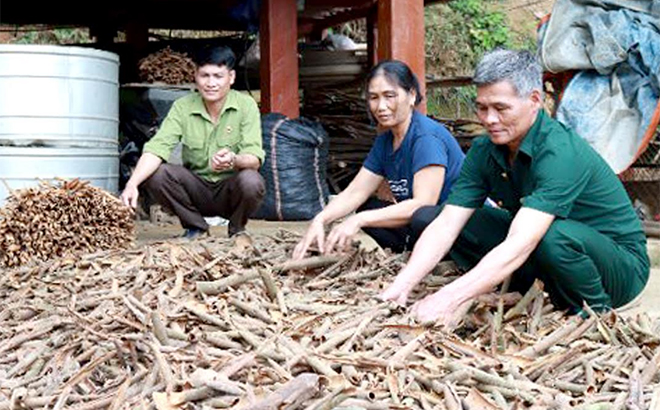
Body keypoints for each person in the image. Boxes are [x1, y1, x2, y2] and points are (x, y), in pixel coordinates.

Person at [381, 49, 650, 326]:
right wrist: (402, 285)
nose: (489, 119)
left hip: (618, 268)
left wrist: (449, 297)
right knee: (432, 216)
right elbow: (448, 222)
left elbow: (524, 239)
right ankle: (522, 285)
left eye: (501, 108)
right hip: (543, 247)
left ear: (534, 100)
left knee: (552, 237)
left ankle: (593, 312)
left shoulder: (559, 152)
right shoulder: (486, 149)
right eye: (482, 107)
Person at [293, 60, 465, 259]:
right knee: (369, 207)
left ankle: (444, 257)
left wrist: (358, 220)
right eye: (373, 98)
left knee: (421, 216)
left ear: (412, 96)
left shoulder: (426, 138)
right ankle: (414, 253)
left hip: (460, 224)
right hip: (428, 225)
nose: (381, 106)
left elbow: (423, 203)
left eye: (389, 96)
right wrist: (320, 220)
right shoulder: (386, 141)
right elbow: (356, 192)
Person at [120, 46, 265, 238]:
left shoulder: (246, 105)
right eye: (205, 75)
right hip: (196, 190)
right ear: (195, 76)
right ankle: (196, 227)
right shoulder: (183, 106)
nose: (211, 83)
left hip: (230, 190)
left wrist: (234, 159)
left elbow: (254, 158)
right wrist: (132, 184)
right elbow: (156, 148)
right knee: (157, 174)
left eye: (218, 76)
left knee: (251, 180)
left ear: (231, 77)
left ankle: (237, 229)